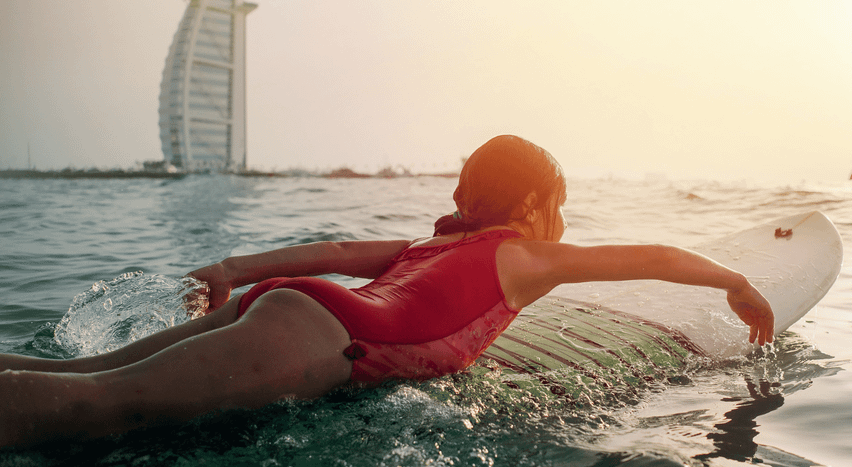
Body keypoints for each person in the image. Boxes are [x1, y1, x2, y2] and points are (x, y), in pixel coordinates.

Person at [0, 135, 773, 448]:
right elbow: (654, 255)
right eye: (559, 207)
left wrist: (236, 270)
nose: (563, 223)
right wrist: (736, 281)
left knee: (82, 378)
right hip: (323, 337)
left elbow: (332, 251)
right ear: (535, 208)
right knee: (98, 410)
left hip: (287, 302)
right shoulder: (529, 258)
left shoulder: (429, 243)